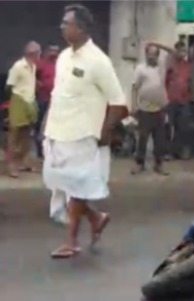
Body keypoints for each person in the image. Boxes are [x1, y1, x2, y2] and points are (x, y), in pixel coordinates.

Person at [42, 4, 127, 258]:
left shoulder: (98, 61)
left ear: (81, 28)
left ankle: (71, 241)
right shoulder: (64, 57)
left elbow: (118, 102)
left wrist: (103, 133)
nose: (61, 26)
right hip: (57, 132)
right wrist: (46, 124)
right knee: (62, 184)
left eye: (66, 23)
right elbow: (58, 95)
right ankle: (96, 217)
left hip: (82, 135)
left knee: (77, 188)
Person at [131, 43, 168, 175]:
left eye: (155, 54)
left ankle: (159, 165)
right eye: (149, 53)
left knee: (160, 140)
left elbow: (174, 52)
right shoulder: (140, 68)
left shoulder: (162, 67)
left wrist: (157, 43)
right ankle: (139, 164)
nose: (152, 56)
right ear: (146, 54)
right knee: (143, 139)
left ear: (158, 55)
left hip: (159, 108)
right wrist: (133, 105)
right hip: (145, 109)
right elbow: (135, 88)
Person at [6, 41, 40, 178]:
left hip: (30, 101)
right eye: (38, 52)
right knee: (15, 134)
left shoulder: (33, 66)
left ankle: (22, 162)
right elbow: (9, 86)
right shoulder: (18, 66)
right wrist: (13, 103)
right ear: (31, 53)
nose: (39, 55)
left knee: (27, 134)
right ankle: (12, 166)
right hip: (19, 100)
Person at [156, 41, 194, 160]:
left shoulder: (187, 65)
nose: (182, 53)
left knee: (182, 127)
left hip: (184, 100)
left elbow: (190, 82)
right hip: (171, 99)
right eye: (180, 51)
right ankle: (167, 152)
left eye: (184, 51)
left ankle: (178, 151)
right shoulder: (170, 63)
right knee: (168, 126)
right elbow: (165, 81)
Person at [34, 44, 60, 160]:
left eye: (56, 51)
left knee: (54, 125)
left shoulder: (61, 64)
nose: (53, 53)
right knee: (39, 125)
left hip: (56, 100)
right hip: (43, 99)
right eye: (51, 51)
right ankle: (40, 151)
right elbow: (32, 75)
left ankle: (51, 151)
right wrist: (38, 84)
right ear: (47, 52)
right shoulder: (41, 64)